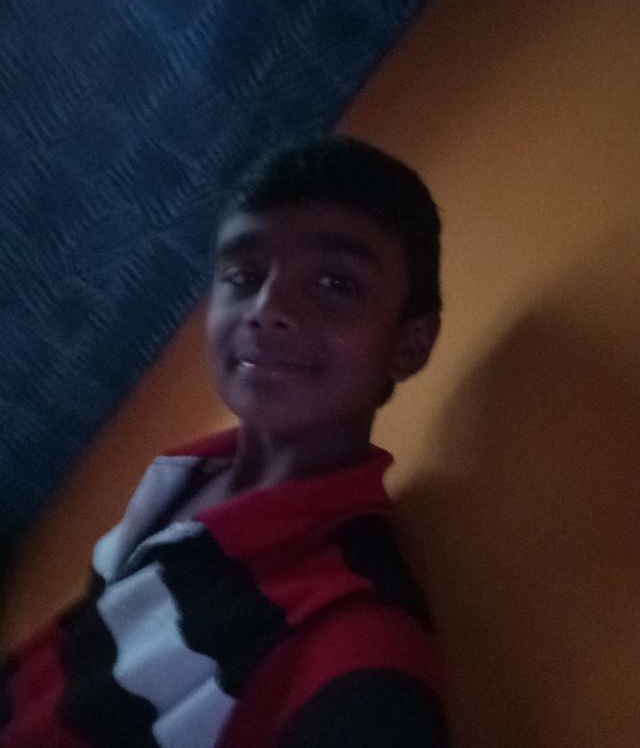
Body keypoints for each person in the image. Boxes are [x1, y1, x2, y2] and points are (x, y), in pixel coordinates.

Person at [0, 135, 448, 747]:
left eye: (336, 284)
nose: (267, 308)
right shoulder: (184, 477)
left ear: (410, 344)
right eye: (243, 276)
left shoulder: (354, 643)